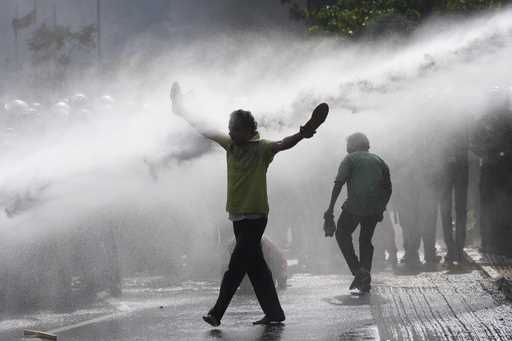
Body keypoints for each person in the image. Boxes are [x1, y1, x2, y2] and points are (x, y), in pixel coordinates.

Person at [170, 82, 326, 327]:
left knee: (236, 265)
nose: (231, 133)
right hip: (237, 215)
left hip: (255, 216)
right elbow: (205, 129)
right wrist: (183, 110)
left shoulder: (262, 148)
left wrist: (303, 133)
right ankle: (274, 313)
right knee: (256, 267)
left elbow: (283, 143)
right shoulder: (230, 145)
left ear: (249, 130)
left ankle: (216, 312)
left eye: (236, 130)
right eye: (230, 129)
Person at [324, 133, 391, 293]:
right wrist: (381, 207)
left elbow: (338, 184)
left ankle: (357, 271)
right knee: (365, 239)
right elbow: (388, 188)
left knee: (342, 233)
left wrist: (330, 208)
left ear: (353, 145)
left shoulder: (349, 159)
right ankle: (365, 273)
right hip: (374, 206)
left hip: (355, 205)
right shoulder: (379, 160)